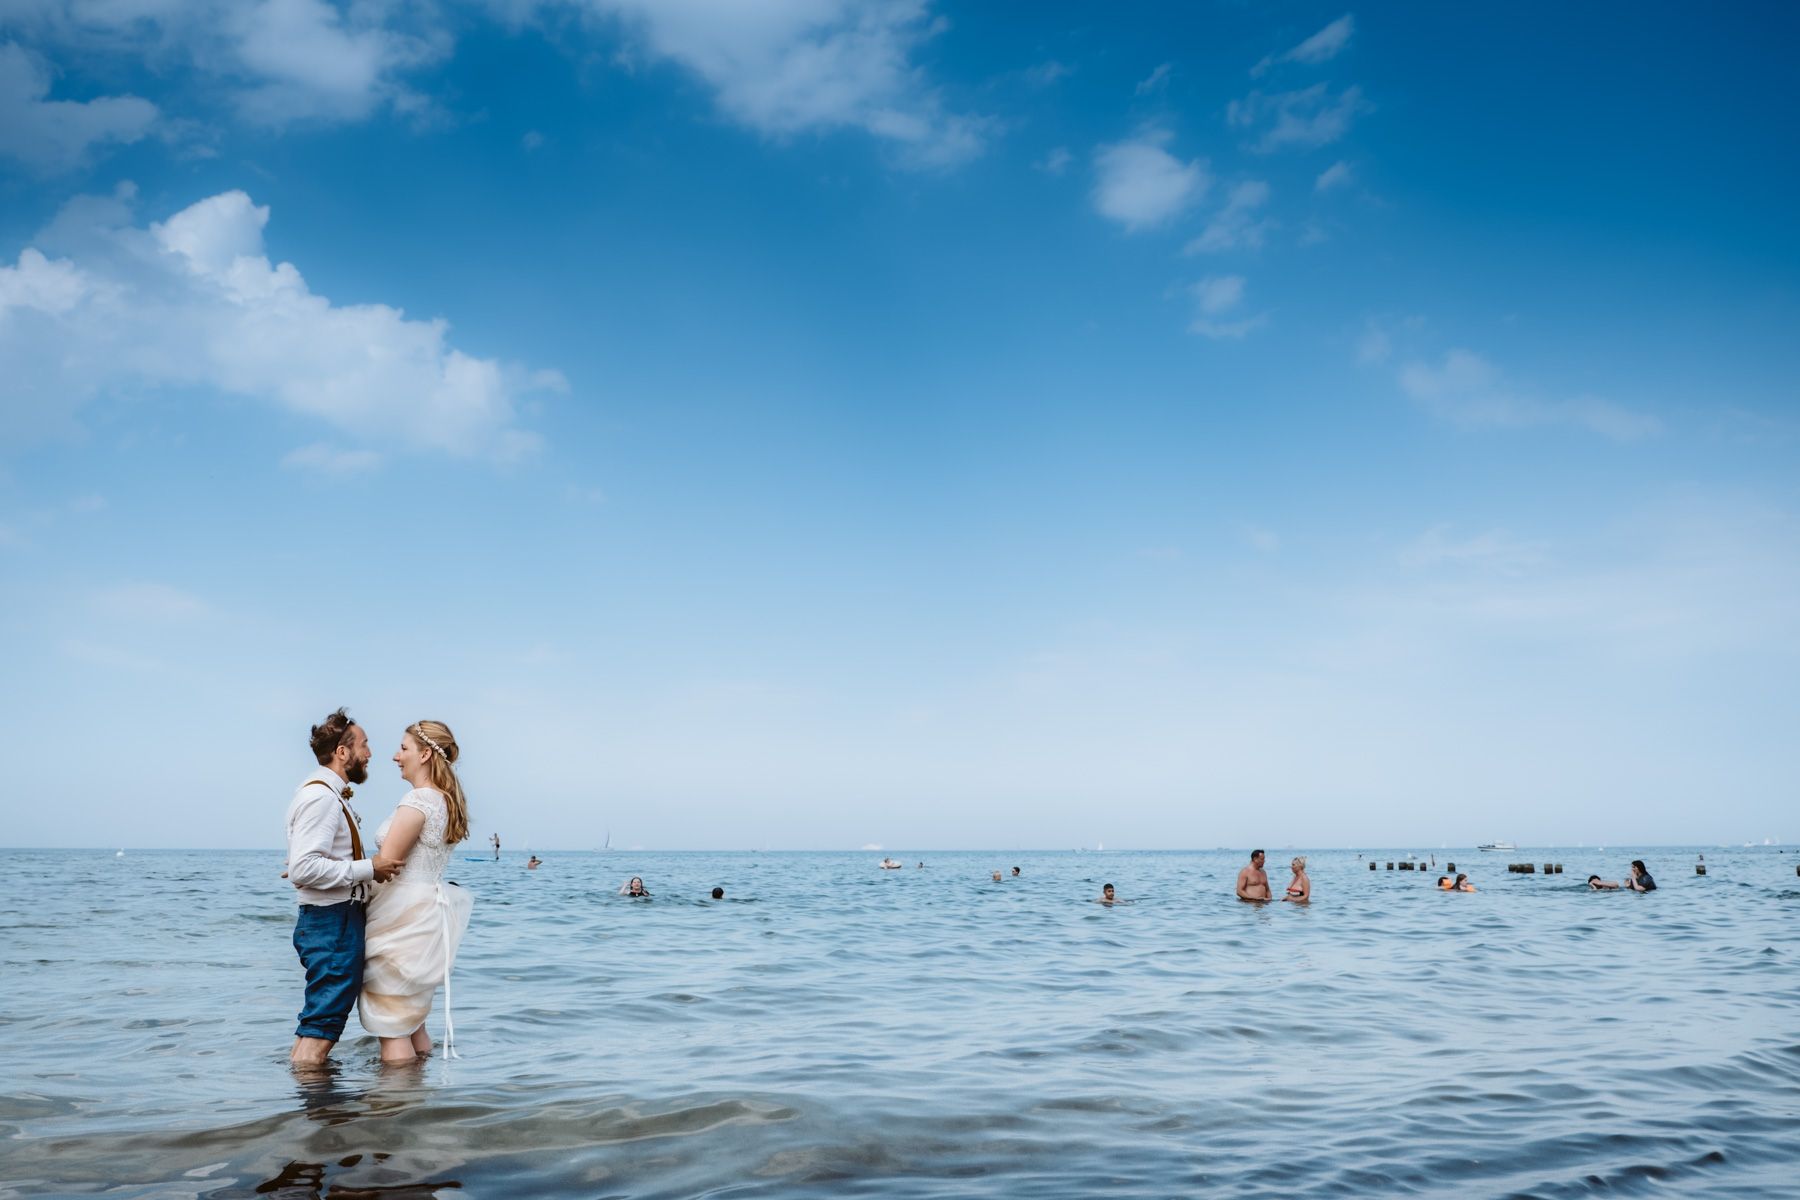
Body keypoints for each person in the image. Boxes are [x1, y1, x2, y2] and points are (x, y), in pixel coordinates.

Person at [285, 708, 398, 1067]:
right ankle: (316, 1115)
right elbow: (305, 867)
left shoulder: (327, 795)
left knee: (321, 1022)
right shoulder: (321, 797)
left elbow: (305, 864)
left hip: (334, 921)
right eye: (364, 745)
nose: (370, 752)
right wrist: (371, 867)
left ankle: (308, 1106)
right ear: (342, 752)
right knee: (322, 1025)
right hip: (332, 922)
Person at [358, 720, 475, 1065]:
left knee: (392, 1025)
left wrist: (335, 874)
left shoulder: (420, 800)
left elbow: (388, 862)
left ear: (425, 754)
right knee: (412, 1021)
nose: (395, 756)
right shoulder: (445, 801)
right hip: (426, 914)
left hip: (400, 918)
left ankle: (394, 1109)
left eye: (404, 749)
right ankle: (420, 1105)